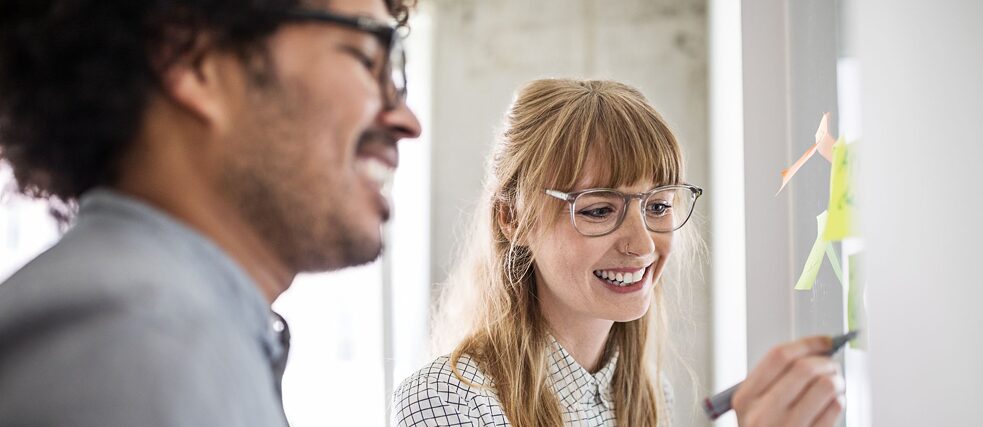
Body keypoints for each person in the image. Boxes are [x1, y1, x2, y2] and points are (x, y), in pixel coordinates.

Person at [0, 0, 420, 425]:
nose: (407, 120)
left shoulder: (179, 332)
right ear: (193, 58)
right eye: (367, 59)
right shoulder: (138, 346)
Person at [392, 79, 844, 426]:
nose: (643, 244)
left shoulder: (649, 396)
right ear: (512, 219)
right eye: (599, 209)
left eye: (659, 206)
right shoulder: (448, 400)